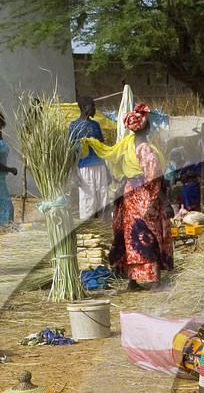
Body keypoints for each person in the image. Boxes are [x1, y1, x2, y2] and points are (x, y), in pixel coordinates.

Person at [107, 104, 173, 289]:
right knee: (149, 234)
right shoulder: (146, 149)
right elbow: (153, 179)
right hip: (145, 196)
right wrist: (166, 202)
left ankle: (132, 281)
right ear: (145, 127)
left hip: (129, 193)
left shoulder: (127, 146)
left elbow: (117, 170)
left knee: (131, 235)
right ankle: (154, 282)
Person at [69, 96, 110, 221]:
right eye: (92, 106)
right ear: (84, 107)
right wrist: (74, 173)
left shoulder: (96, 125)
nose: (94, 109)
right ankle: (89, 233)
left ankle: (104, 230)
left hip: (100, 166)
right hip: (84, 168)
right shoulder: (74, 126)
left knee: (103, 198)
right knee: (88, 199)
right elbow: (71, 152)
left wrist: (107, 171)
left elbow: (101, 148)